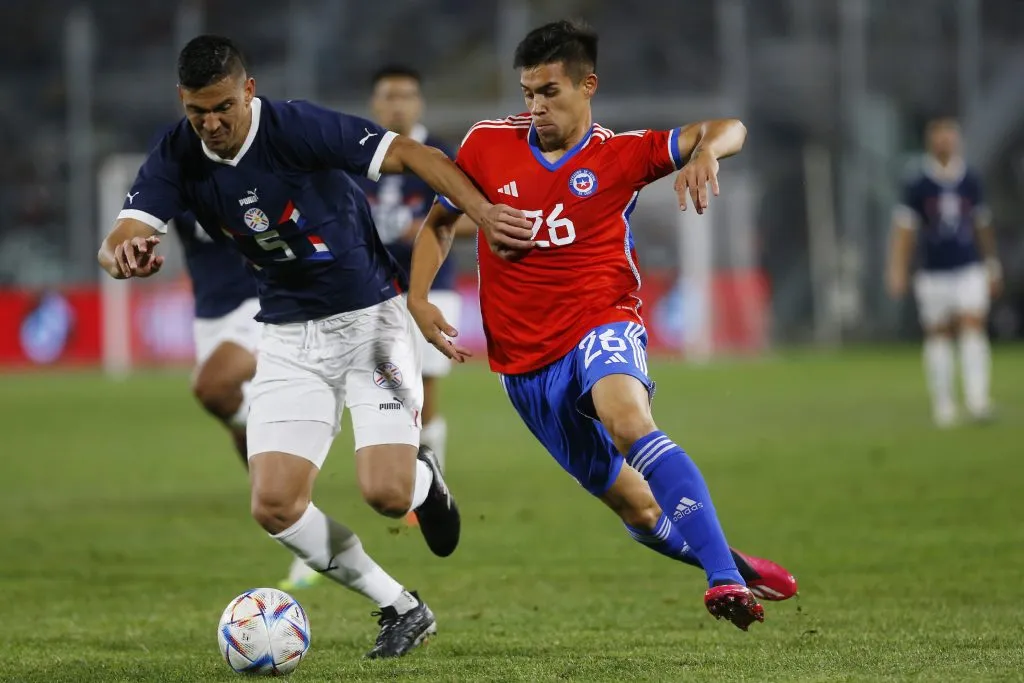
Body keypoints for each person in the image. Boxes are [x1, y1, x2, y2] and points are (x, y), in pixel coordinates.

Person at [98, 35, 525, 658]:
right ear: (182, 104)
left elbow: (413, 154)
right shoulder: (178, 152)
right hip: (288, 337)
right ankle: (400, 606)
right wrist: (124, 252)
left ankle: (423, 483)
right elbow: (125, 231)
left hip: (371, 323)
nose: (212, 124)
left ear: (248, 90)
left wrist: (481, 214)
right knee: (273, 505)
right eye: (198, 113)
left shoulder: (297, 127)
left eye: (222, 108)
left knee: (384, 493)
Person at [407, 20, 797, 631]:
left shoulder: (621, 154)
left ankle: (721, 580)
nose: (535, 107)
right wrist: (420, 296)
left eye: (550, 92)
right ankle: (731, 561)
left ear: (588, 85)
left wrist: (703, 152)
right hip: (523, 364)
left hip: (601, 320)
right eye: (528, 92)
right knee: (638, 509)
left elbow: (731, 128)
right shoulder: (486, 146)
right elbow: (437, 222)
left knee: (627, 419)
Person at [171, 212, 320, 591]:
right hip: (209, 314)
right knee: (242, 429)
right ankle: (303, 529)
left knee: (211, 387)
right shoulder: (171, 163)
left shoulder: (243, 161)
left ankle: (301, 513)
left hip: (259, 301)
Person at [353, 65, 475, 474]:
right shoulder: (355, 154)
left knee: (425, 385)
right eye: (389, 96)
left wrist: (421, 228)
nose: (397, 105)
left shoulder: (440, 156)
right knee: (385, 386)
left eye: (406, 95)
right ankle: (400, 470)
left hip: (432, 286)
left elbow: (477, 218)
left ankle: (431, 473)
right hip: (372, 290)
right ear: (375, 103)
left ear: (419, 103)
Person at [887, 117, 1001, 427]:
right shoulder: (918, 183)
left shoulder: (970, 179)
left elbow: (982, 224)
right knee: (938, 333)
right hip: (933, 270)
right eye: (939, 137)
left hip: (968, 266)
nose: (945, 143)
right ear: (930, 142)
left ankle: (977, 399)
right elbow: (905, 229)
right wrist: (897, 268)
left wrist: (992, 264)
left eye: (950, 137)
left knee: (973, 325)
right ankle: (944, 404)